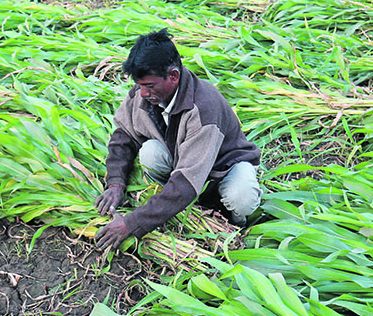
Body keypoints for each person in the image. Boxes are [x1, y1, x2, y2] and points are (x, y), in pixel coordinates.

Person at [94, 29, 262, 251]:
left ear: (173, 76)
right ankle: (176, 204)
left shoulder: (203, 109)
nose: (143, 93)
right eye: (139, 85)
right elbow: (124, 136)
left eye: (149, 85)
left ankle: (235, 226)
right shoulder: (144, 93)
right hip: (185, 161)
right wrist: (115, 183)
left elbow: (186, 182)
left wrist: (130, 224)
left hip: (223, 168)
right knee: (150, 153)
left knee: (242, 197)